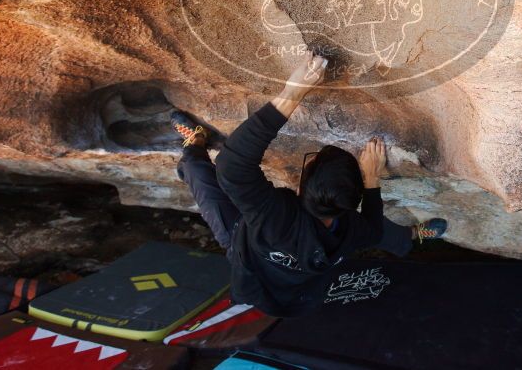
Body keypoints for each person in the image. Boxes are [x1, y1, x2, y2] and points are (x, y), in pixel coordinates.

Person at [172, 52, 448, 317]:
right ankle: (410, 237)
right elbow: (373, 228)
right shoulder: (351, 230)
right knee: (376, 232)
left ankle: (196, 143)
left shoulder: (275, 215)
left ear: (301, 188)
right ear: (352, 202)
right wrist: (373, 179)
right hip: (294, 279)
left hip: (244, 247)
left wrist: (292, 93)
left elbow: (232, 165)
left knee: (199, 175)